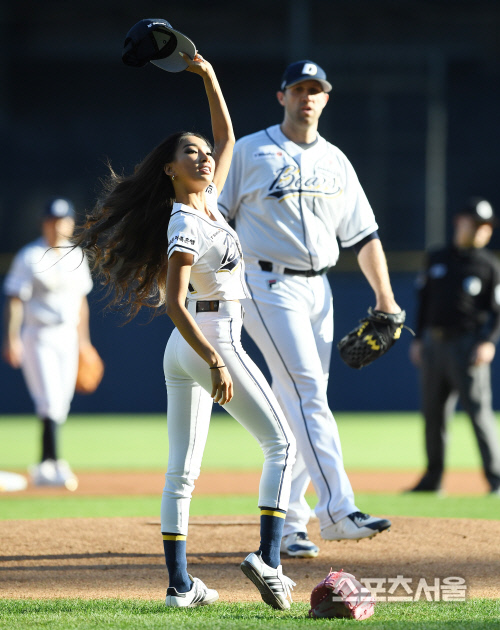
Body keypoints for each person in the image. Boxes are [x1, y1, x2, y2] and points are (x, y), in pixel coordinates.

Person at [74, 53, 297, 610]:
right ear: (170, 169)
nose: (202, 157)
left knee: (182, 472)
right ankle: (268, 562)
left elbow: (227, 136)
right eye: (188, 153)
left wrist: (208, 75)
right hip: (208, 339)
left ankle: (180, 588)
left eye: (202, 153)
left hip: (187, 349)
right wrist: (217, 361)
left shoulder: (210, 206)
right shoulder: (185, 221)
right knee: (283, 444)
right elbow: (174, 303)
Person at [218, 60, 402, 558]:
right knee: (306, 393)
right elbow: (216, 218)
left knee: (299, 400)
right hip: (263, 280)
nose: (308, 97)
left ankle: (290, 523)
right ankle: (339, 512)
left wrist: (386, 298)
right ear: (282, 96)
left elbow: (364, 235)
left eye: (316, 89)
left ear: (326, 98)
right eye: (299, 88)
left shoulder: (337, 161)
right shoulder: (251, 151)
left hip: (319, 290)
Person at [409, 197, 500, 496]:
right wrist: (418, 338)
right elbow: (423, 302)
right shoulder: (437, 258)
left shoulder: (489, 265)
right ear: (460, 222)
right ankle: (432, 480)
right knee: (433, 415)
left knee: (480, 415)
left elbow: (498, 311)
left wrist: (487, 342)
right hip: (435, 345)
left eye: (486, 227)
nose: (482, 231)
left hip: (467, 346)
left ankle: (496, 479)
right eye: (477, 224)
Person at [2, 198, 94, 490]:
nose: (58, 225)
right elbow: (15, 301)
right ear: (45, 222)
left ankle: (44, 464)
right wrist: (11, 338)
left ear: (70, 223)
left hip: (67, 335)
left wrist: (85, 343)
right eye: (53, 220)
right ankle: (54, 464)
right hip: (38, 334)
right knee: (50, 400)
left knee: (61, 403)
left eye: (63, 220)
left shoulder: (76, 255)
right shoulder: (30, 255)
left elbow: (82, 304)